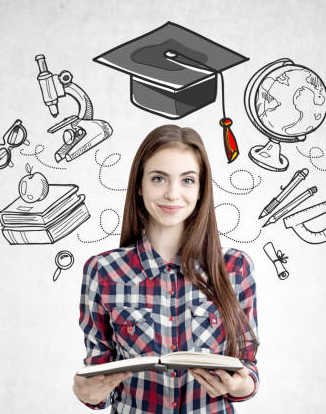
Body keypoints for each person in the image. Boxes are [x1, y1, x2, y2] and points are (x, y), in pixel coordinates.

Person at [73, 124, 259, 413]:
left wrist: (240, 386)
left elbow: (247, 364)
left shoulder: (235, 268)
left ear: (201, 190)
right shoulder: (103, 271)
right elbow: (98, 376)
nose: (173, 194)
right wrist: (87, 392)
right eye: (159, 178)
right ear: (139, 185)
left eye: (187, 180)